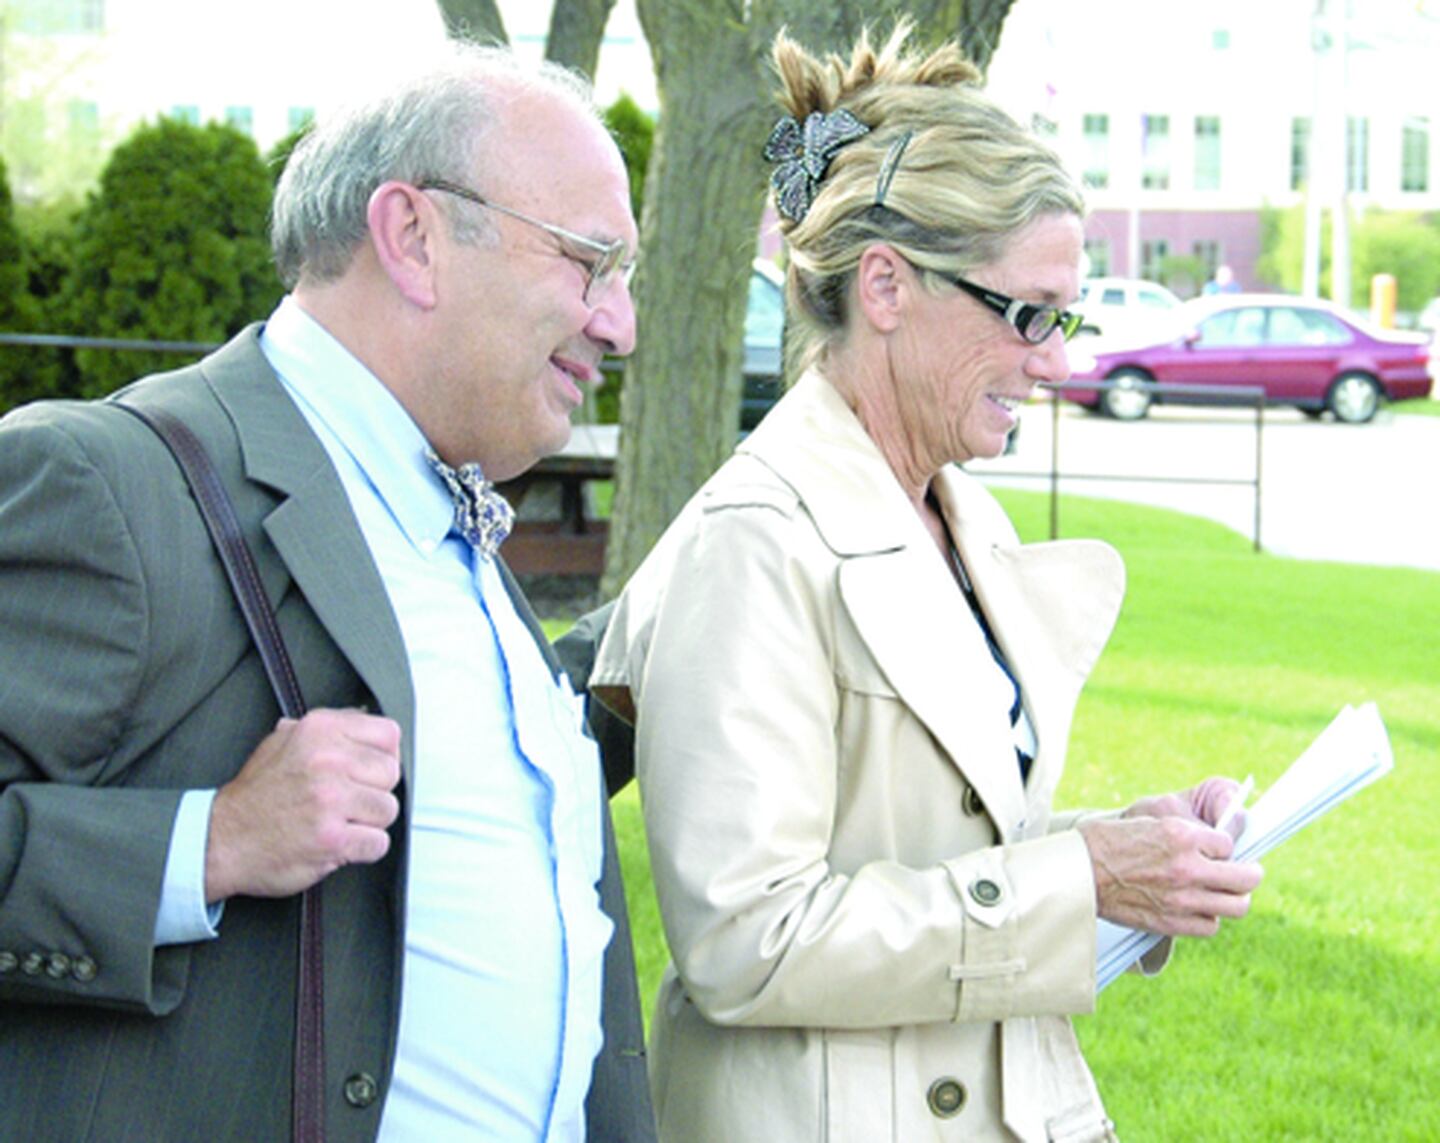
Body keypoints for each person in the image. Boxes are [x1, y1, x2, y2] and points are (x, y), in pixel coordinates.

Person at [590, 25, 1262, 1143]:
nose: (1056, 360)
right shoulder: (752, 543)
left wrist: (1128, 851)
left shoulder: (961, 515)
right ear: (889, 285)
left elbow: (928, 844)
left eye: (1069, 319)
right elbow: (745, 941)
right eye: (1029, 316)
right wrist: (1081, 881)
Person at [0, 43, 655, 1142]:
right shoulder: (107, 484)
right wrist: (205, 844)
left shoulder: (452, 515)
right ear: (414, 237)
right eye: (593, 261)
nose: (620, 323)